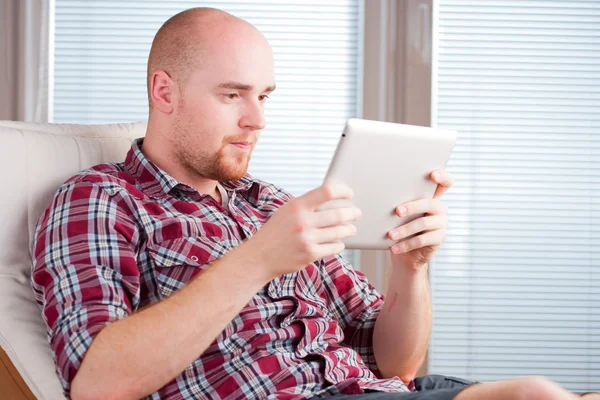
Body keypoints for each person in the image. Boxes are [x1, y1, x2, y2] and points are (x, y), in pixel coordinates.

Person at [31, 7, 598, 400]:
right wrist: (258, 259)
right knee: (532, 395)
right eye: (232, 95)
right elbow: (97, 383)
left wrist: (411, 267)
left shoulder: (270, 204)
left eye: (264, 96)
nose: (257, 120)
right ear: (164, 92)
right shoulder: (103, 198)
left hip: (373, 390)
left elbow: (395, 363)